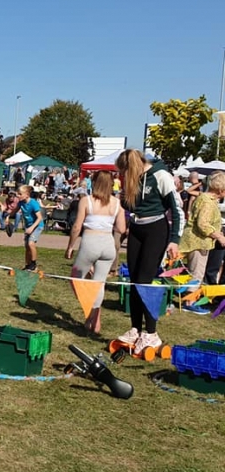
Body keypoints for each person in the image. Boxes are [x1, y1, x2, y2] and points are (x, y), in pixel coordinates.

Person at [114, 149, 180, 353]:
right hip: (137, 228)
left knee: (144, 281)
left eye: (124, 171)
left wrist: (174, 240)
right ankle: (135, 328)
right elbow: (132, 205)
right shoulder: (135, 180)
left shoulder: (160, 176)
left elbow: (177, 209)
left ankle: (151, 333)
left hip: (156, 230)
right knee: (134, 280)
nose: (123, 176)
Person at [65, 171, 126, 333]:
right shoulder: (116, 203)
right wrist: (108, 223)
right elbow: (122, 228)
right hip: (108, 245)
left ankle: (90, 313)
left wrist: (70, 246)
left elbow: (77, 226)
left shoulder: (86, 201)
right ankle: (95, 321)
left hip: (90, 242)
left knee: (75, 279)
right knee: (99, 283)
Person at [178, 172, 225, 282]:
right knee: (196, 276)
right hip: (198, 243)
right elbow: (202, 224)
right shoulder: (207, 201)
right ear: (221, 190)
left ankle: (191, 297)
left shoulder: (206, 199)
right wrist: (219, 237)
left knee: (196, 274)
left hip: (199, 242)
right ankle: (190, 299)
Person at [12, 184, 44, 271]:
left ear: (26, 194)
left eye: (20, 194)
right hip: (29, 226)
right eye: (17, 194)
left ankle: (33, 264)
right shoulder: (21, 203)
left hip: (37, 225)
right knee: (27, 246)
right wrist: (7, 217)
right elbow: (14, 211)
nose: (17, 196)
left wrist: (31, 228)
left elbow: (39, 218)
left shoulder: (33, 203)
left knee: (31, 243)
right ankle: (28, 264)